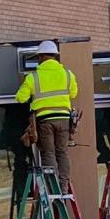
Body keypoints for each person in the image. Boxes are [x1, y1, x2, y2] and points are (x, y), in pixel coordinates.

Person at [15, 38, 79, 181]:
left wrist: (25, 86)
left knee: (48, 153)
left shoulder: (33, 77)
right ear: (55, 56)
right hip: (64, 120)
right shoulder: (68, 74)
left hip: (45, 121)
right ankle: (62, 188)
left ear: (41, 56)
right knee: (62, 152)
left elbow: (20, 98)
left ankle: (52, 188)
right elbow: (73, 93)